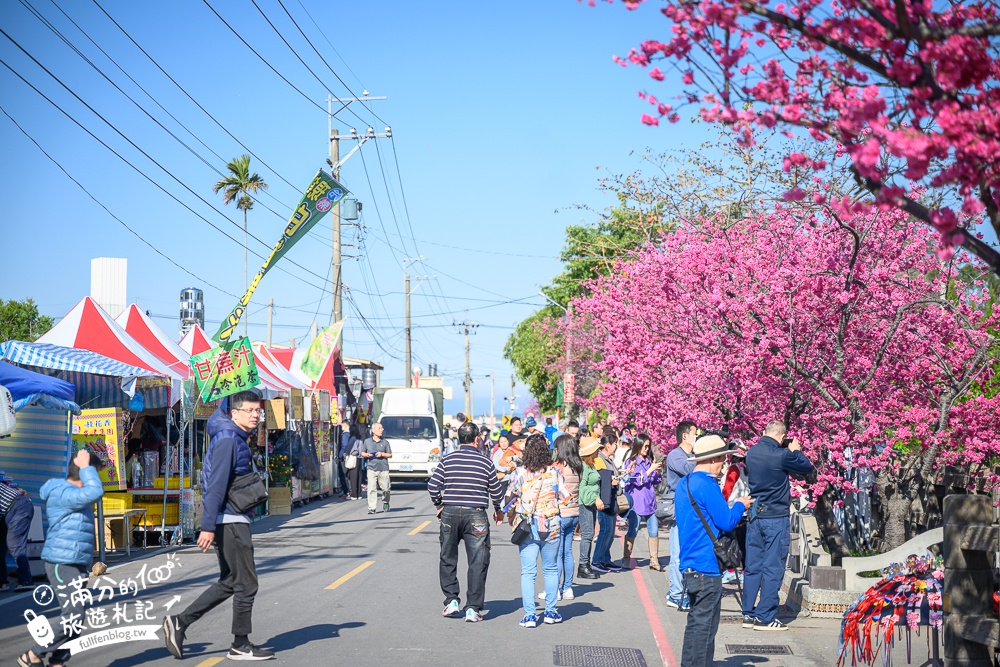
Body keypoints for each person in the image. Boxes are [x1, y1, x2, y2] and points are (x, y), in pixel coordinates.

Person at [163, 391, 274, 661]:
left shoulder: (234, 438)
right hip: (230, 520)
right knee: (246, 584)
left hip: (232, 518)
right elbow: (215, 486)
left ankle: (180, 622)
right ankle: (240, 645)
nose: (255, 415)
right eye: (249, 410)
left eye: (257, 411)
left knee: (230, 582)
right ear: (234, 413)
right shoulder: (228, 440)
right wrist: (208, 526)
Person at [18, 449, 103, 667]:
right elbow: (96, 492)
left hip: (75, 563)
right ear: (84, 473)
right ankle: (33, 654)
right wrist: (86, 467)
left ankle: (57, 661)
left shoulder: (69, 492)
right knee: (73, 615)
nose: (96, 478)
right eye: (94, 472)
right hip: (61, 563)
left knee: (76, 618)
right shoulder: (64, 493)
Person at [676, 435, 754, 667]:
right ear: (712, 460)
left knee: (695, 625)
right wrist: (741, 504)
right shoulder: (707, 485)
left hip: (689, 562)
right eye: (722, 459)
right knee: (706, 629)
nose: (723, 465)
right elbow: (727, 521)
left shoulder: (686, 483)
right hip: (706, 566)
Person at [741, 421, 816, 631]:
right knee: (773, 567)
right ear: (782, 437)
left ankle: (748, 613)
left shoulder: (752, 453)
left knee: (753, 566)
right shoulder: (783, 455)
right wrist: (796, 451)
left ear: (764, 433)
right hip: (775, 517)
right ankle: (765, 617)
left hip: (755, 516)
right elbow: (806, 467)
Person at [427, 421, 504, 623]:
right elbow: (496, 491)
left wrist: (439, 505)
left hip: (450, 514)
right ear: (477, 439)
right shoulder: (486, 462)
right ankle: (473, 608)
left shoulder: (447, 460)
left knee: (447, 557)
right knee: (478, 561)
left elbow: (433, 485)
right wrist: (498, 510)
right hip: (476, 515)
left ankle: (451, 600)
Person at [504, 434, 569, 628]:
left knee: (528, 572)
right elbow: (566, 497)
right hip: (552, 526)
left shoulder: (520, 473)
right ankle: (550, 611)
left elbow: (508, 496)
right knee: (550, 569)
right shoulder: (555, 473)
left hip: (528, 526)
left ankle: (530, 615)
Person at [664, 420, 698, 610]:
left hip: (691, 509)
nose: (697, 436)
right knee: (677, 553)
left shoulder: (692, 456)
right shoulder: (675, 455)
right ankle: (676, 594)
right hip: (679, 509)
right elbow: (689, 471)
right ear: (685, 436)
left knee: (686, 553)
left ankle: (680, 591)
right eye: (695, 433)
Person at [546, 434, 582, 600]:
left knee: (556, 553)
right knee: (567, 552)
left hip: (560, 513)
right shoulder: (578, 467)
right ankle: (567, 588)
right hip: (574, 513)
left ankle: (554, 590)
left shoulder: (558, 468)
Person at [622, 433, 664, 570]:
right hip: (637, 503)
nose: (647, 449)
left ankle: (654, 560)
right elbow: (636, 481)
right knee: (633, 531)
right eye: (645, 446)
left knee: (654, 531)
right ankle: (626, 558)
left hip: (650, 502)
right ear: (638, 446)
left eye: (648, 446)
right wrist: (649, 471)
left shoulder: (648, 461)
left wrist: (657, 472)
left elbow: (656, 481)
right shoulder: (631, 462)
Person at [720, 440, 750, 585]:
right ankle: (744, 571)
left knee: (730, 542)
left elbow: (727, 489)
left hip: (733, 508)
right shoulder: (747, 468)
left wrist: (721, 503)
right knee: (743, 543)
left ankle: (731, 570)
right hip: (745, 509)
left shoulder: (734, 468)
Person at [591, 435, 622, 573]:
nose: (616, 447)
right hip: (604, 500)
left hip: (611, 498)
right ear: (608, 445)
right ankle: (597, 560)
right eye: (615, 444)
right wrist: (611, 482)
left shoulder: (608, 459)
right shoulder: (599, 460)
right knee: (605, 530)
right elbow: (599, 479)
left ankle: (605, 559)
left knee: (610, 531)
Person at [1, 475, 34, 591]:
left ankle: (26, 580)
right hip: (8, 511)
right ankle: (2, 582)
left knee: (14, 544)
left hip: (19, 507)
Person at [576, 437, 602, 580]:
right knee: (587, 534)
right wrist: (595, 498)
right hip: (585, 503)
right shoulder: (584, 467)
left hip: (591, 504)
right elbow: (583, 487)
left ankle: (586, 563)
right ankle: (583, 565)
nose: (599, 450)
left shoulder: (591, 465)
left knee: (589, 534)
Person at [361, 422, 393, 515]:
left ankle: (386, 502)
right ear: (373, 430)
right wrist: (367, 455)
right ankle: (372, 507)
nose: (381, 430)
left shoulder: (385, 442)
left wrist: (382, 454)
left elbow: (390, 454)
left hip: (383, 468)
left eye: (382, 428)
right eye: (379, 428)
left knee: (386, 488)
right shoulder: (367, 441)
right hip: (371, 468)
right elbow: (362, 452)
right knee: (371, 488)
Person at [344, 424, 365, 501]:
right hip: (360, 458)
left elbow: (348, 448)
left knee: (353, 477)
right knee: (359, 476)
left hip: (353, 457)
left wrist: (345, 454)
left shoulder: (352, 438)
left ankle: (354, 494)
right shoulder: (360, 438)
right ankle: (359, 494)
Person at [336, 420, 351, 498]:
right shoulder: (351, 434)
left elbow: (344, 446)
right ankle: (348, 491)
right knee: (347, 474)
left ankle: (346, 491)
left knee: (343, 474)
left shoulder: (345, 434)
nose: (341, 427)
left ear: (345, 425)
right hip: (349, 456)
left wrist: (340, 456)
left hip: (344, 457)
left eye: (342, 426)